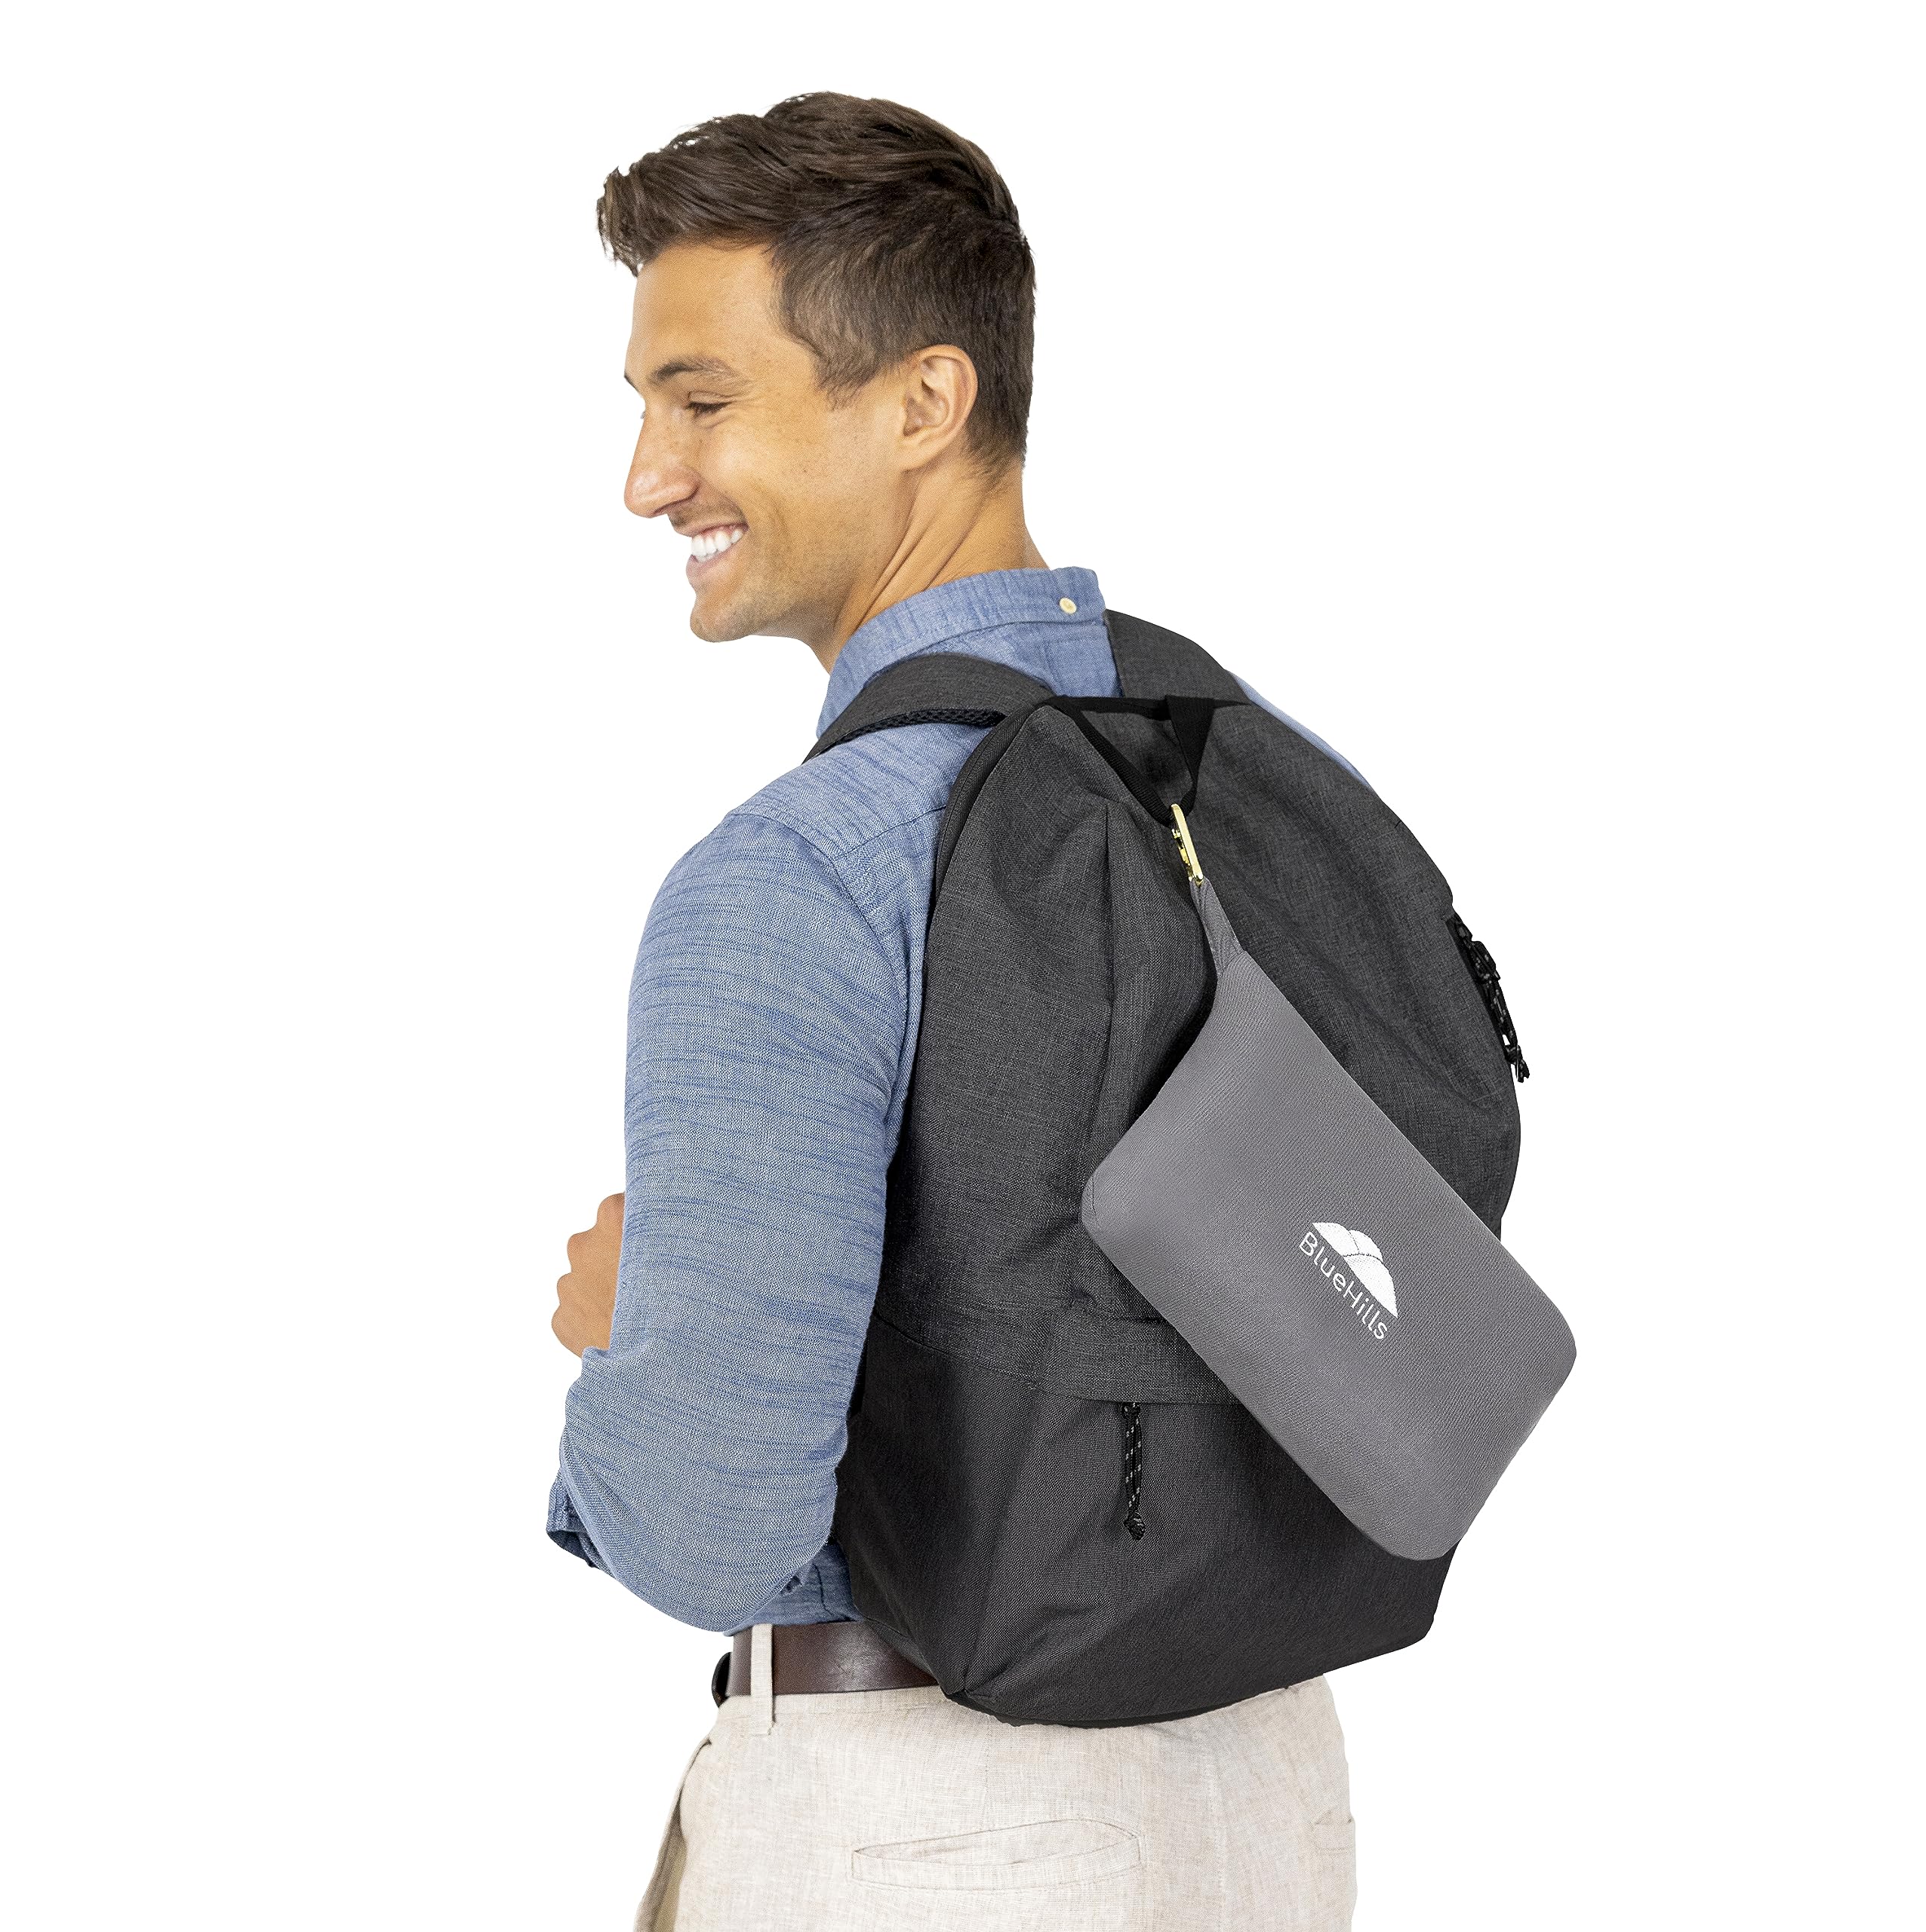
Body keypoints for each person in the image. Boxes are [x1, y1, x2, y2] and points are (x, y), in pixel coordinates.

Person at [548, 91, 1362, 1930]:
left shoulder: (799, 875)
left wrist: (631, 1328)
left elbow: (707, 1524)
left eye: (699, 399)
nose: (648, 478)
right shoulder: (1270, 783)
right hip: (1265, 1790)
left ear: (924, 401)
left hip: (922, 1827)